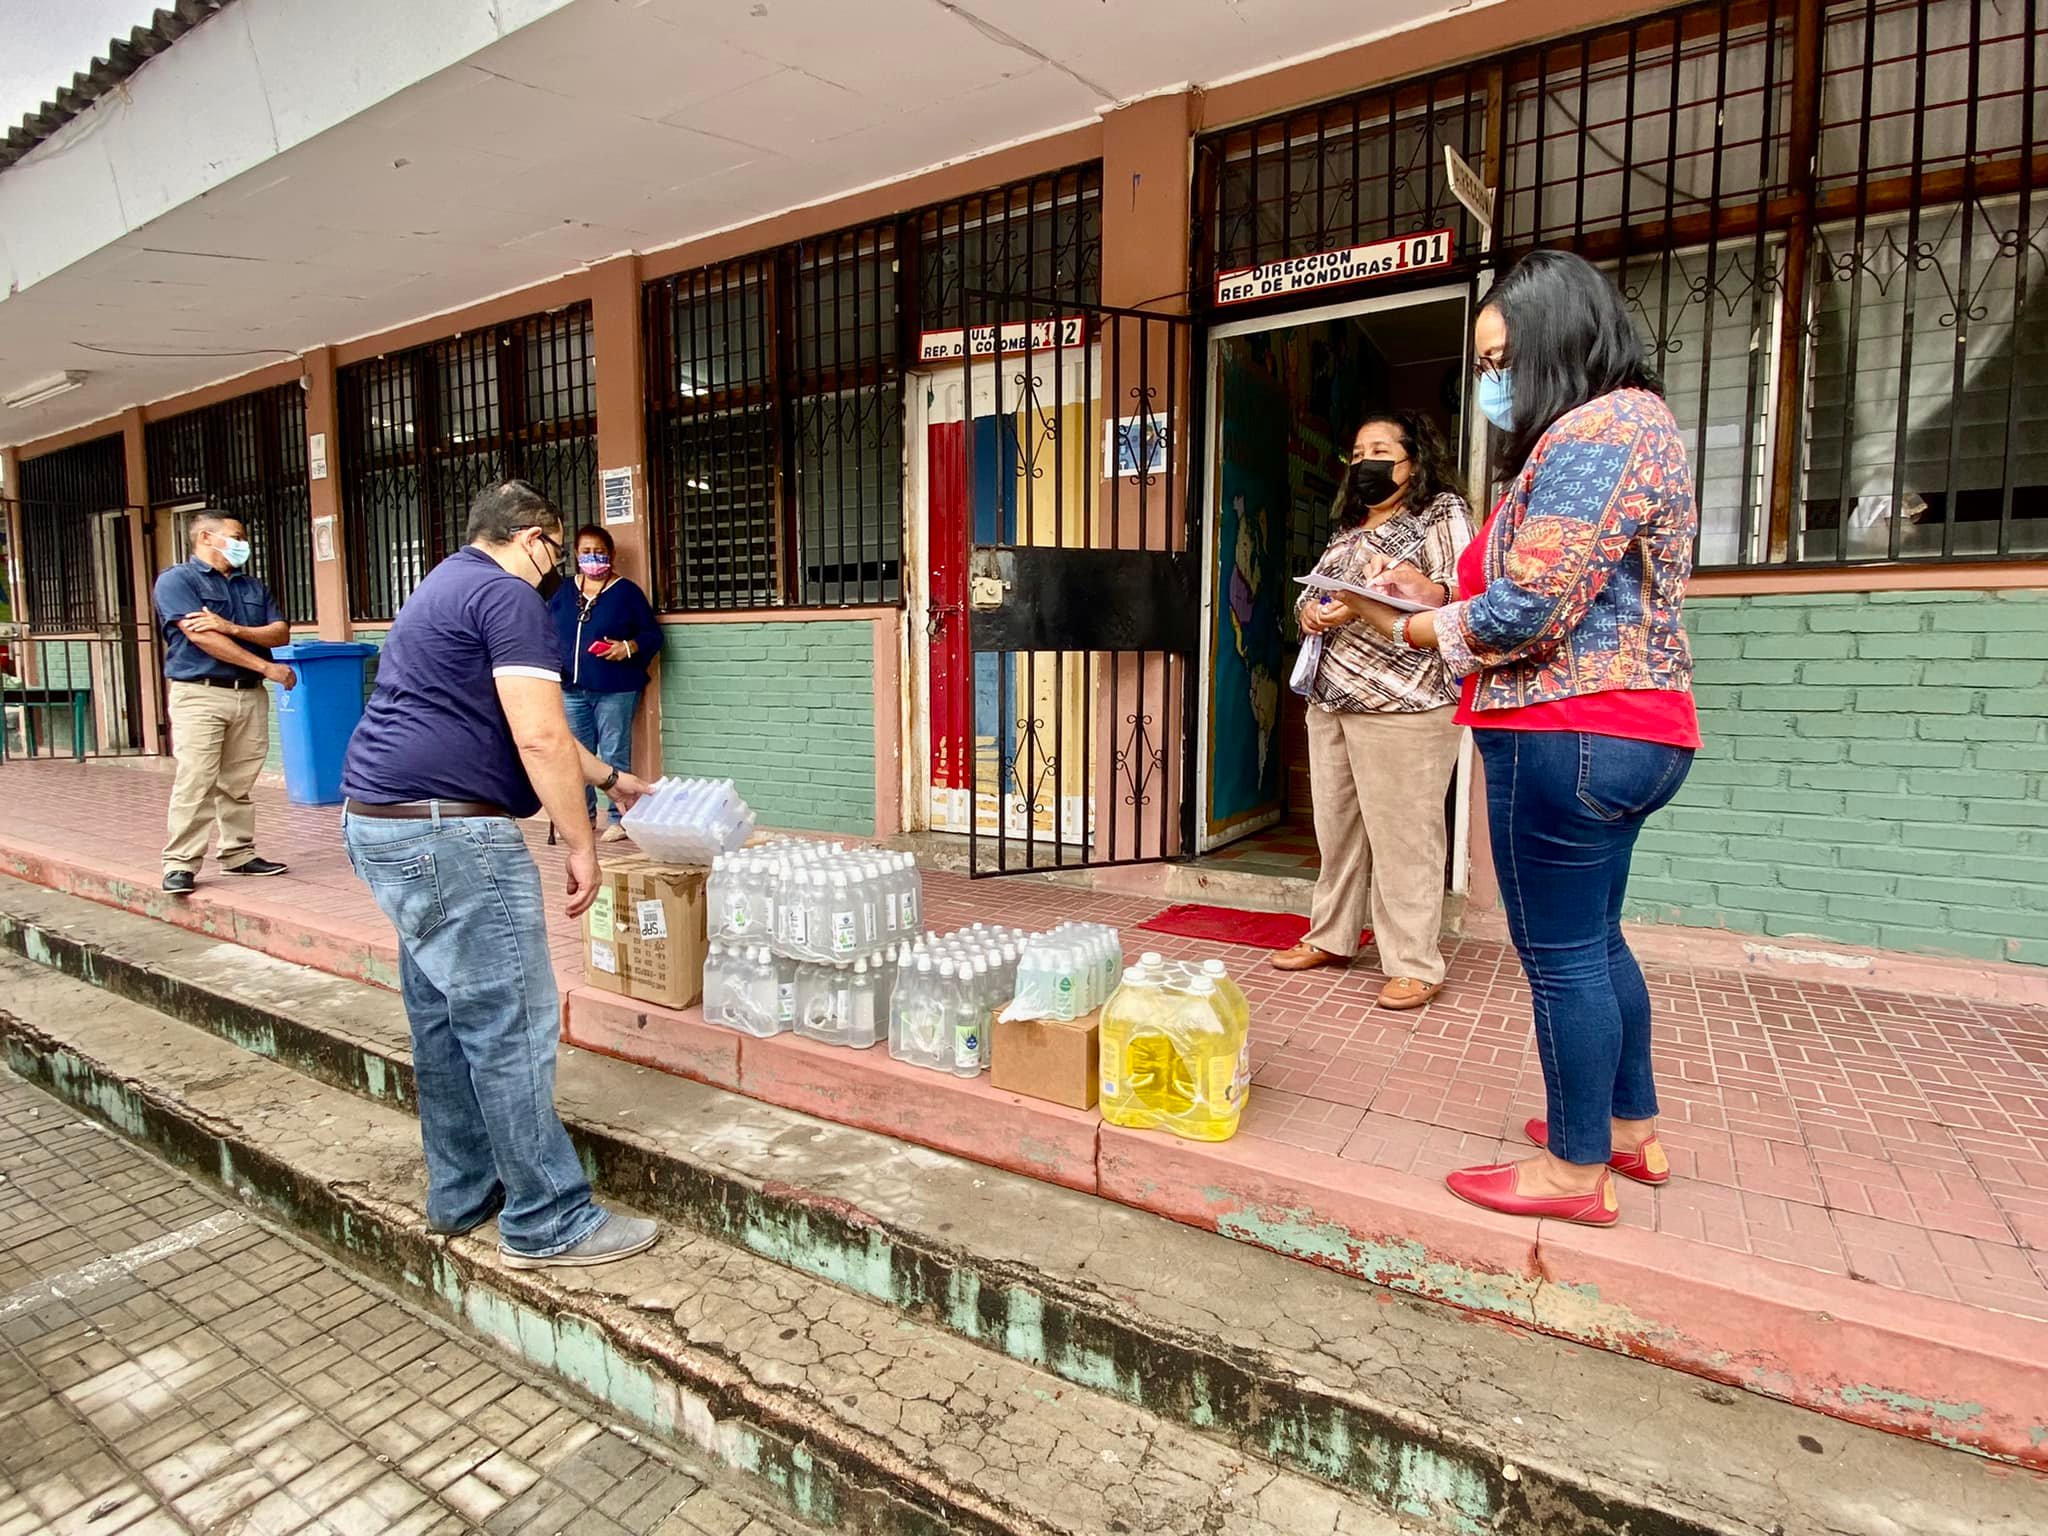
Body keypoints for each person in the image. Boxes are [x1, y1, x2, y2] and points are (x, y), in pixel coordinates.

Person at [1336, 250, 1700, 1228]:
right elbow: (1542, 586)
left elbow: (1530, 609)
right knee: (1594, 939)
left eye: (1500, 360)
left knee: (1559, 955)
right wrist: (1436, 593)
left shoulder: (1595, 429)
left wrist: (1413, 629)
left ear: (1552, 344)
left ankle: (1572, 1174)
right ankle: (1627, 1130)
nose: (1491, 383)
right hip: (1626, 728)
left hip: (1565, 726)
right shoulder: (1623, 429)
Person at [340, 480, 660, 1270]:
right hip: (453, 837)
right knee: (510, 1020)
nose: (558, 564)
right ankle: (549, 1218)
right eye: (555, 547)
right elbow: (542, 736)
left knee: (445, 1016)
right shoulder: (509, 597)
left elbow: (533, 725)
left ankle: (462, 1190)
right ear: (529, 537)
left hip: (380, 823)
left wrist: (614, 779)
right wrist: (583, 842)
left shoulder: (443, 585)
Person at [1270, 412, 1473, 1012]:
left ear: (1415, 459)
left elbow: (1462, 595)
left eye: (1380, 450)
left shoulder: (1441, 514)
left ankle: (1413, 963)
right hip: (1332, 697)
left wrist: (1368, 603)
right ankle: (1332, 937)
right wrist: (1311, 610)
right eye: (1357, 454)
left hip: (1405, 699)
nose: (1366, 463)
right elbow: (1320, 589)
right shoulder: (1351, 526)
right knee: (1337, 833)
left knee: (1405, 836)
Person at [151, 513, 297, 895]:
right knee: (197, 778)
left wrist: (230, 627)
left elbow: (279, 631)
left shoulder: (252, 586)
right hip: (200, 692)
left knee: (238, 780)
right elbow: (203, 639)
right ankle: (180, 862)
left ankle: (237, 854)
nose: (242, 544)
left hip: (248, 695)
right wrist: (266, 666)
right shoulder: (177, 581)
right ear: (205, 537)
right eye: (235, 536)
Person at [549, 524, 661, 843]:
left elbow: (652, 635)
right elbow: (546, 630)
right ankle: (583, 817)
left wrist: (627, 648)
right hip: (572, 690)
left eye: (599, 551)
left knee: (612, 754)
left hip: (615, 690)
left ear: (610, 555)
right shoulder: (564, 592)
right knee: (577, 757)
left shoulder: (627, 593)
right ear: (575, 555)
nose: (592, 557)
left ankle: (619, 818)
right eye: (586, 552)